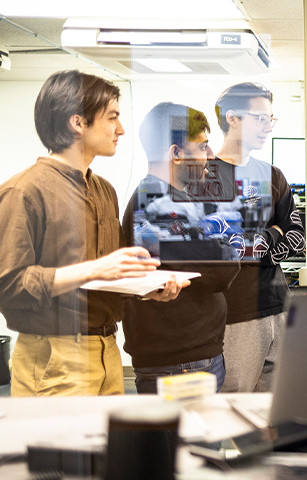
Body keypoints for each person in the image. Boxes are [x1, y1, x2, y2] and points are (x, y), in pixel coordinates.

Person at [0, 70, 185, 397]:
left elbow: (102, 281)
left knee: (105, 449)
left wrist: (145, 289)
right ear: (78, 122)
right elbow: (9, 286)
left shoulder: (103, 191)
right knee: (59, 449)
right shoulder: (24, 191)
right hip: (53, 354)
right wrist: (96, 268)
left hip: (106, 350)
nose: (121, 129)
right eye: (112, 117)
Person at [121, 102, 240, 393]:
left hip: (188, 358)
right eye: (202, 148)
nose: (210, 156)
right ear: (175, 154)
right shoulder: (156, 204)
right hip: (179, 364)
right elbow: (223, 267)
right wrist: (226, 245)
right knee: (189, 440)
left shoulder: (173, 199)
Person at [212, 82, 305, 392]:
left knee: (276, 412)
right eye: (259, 118)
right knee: (233, 406)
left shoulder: (272, 175)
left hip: (279, 307)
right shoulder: (203, 177)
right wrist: (272, 233)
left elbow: (297, 238)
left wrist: (255, 240)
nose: (267, 127)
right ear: (232, 118)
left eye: (270, 119)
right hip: (236, 315)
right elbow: (222, 249)